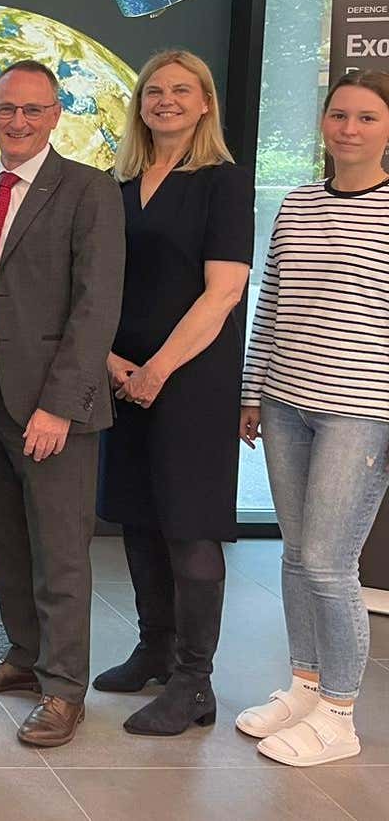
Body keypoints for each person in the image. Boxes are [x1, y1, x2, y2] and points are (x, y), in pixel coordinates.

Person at [0, 59, 124, 748]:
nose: (17, 121)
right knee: (4, 538)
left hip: (50, 400)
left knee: (60, 550)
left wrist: (60, 405)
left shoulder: (87, 189)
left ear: (55, 115)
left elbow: (95, 305)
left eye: (32, 109)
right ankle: (24, 657)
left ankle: (62, 690)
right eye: (5, 108)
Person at [93, 50, 253, 736]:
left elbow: (224, 292)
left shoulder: (221, 181)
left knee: (189, 525)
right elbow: (93, 282)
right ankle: (153, 648)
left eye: (181, 90)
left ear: (206, 102)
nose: (165, 100)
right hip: (121, 373)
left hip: (190, 378)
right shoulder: (119, 182)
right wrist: (111, 361)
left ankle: (195, 680)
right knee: (137, 516)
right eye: (153, 90)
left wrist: (156, 368)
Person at [236, 70, 389, 767]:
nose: (348, 129)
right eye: (338, 115)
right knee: (296, 556)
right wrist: (251, 390)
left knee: (330, 562)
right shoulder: (297, 205)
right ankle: (303, 685)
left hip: (362, 410)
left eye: (365, 117)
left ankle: (340, 712)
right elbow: (270, 307)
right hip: (287, 401)